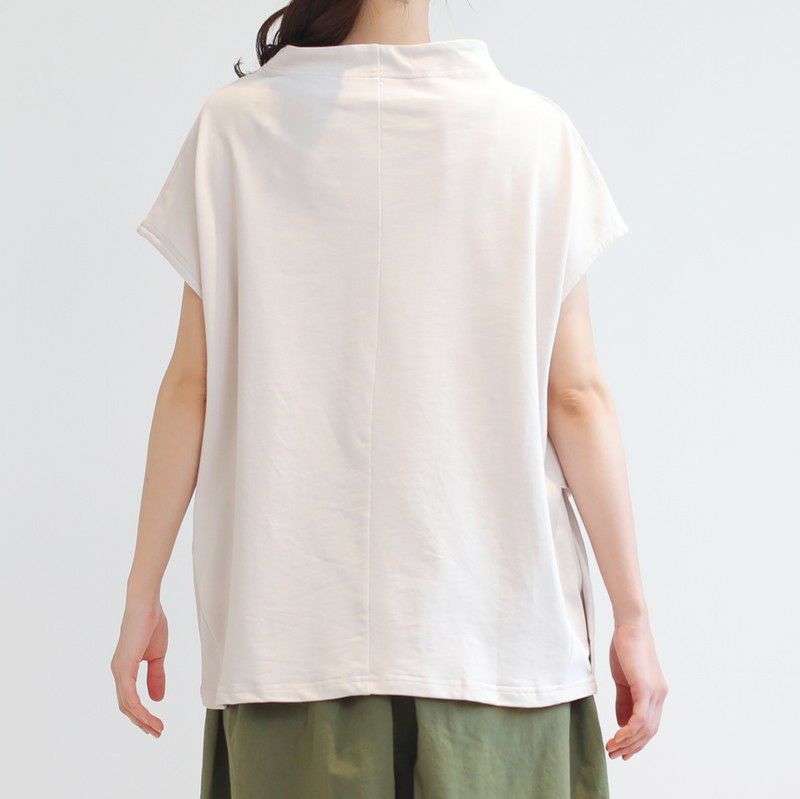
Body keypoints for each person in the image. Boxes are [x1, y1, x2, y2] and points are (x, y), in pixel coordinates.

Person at [111, 1, 667, 796]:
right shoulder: (531, 135)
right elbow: (575, 397)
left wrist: (143, 593)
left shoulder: (234, 131)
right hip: (498, 643)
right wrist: (632, 616)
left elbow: (191, 385)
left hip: (291, 641)